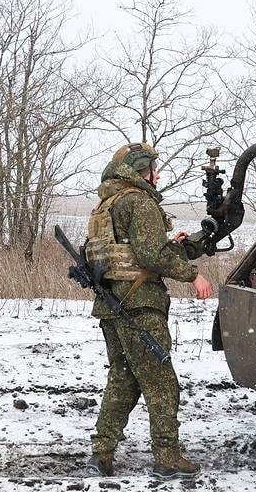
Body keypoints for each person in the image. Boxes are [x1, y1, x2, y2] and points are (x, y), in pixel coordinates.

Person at [85, 142, 214, 479]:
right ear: (138, 172)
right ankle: (167, 458)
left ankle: (102, 451)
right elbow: (150, 256)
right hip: (139, 306)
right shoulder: (139, 202)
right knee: (161, 383)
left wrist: (174, 245)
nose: (156, 175)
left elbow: (123, 252)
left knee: (124, 378)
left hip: (111, 306)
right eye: (151, 170)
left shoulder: (106, 205)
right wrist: (193, 274)